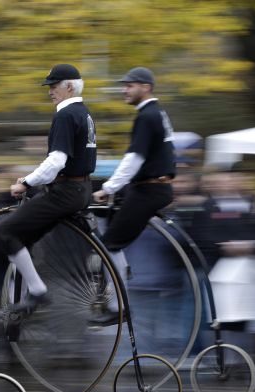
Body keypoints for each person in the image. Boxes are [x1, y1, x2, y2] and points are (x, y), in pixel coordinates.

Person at [0, 63, 97, 330]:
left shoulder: (65, 115)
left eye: (54, 86)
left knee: (3, 231)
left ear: (69, 86)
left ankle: (37, 291)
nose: (50, 91)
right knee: (20, 237)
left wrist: (26, 182)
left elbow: (56, 161)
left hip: (66, 192)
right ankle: (25, 300)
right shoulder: (83, 113)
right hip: (81, 189)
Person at [90, 67, 177, 326]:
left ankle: (119, 307)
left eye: (130, 85)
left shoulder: (146, 116)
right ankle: (121, 272)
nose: (124, 90)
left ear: (146, 87)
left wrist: (108, 188)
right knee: (112, 231)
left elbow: (133, 159)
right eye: (124, 85)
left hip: (149, 189)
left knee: (109, 246)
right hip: (148, 187)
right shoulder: (157, 113)